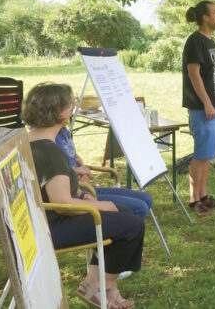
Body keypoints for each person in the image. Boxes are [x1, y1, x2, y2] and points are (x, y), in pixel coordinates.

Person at [23, 83, 144, 309]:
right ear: (60, 113)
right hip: (52, 228)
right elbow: (61, 204)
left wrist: (85, 196)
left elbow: (56, 191)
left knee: (124, 213)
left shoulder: (29, 140)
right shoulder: (50, 151)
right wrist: (100, 206)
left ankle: (94, 284)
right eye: (70, 105)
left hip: (39, 222)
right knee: (133, 226)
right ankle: (103, 287)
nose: (72, 108)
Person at [182, 0, 215, 215]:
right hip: (202, 108)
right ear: (205, 18)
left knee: (208, 154)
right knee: (201, 155)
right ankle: (193, 201)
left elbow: (214, 76)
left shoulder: (210, 41)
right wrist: (208, 103)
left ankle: (203, 195)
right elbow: (194, 74)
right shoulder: (195, 41)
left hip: (214, 107)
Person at [55, 126, 153, 219]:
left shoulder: (64, 131)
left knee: (147, 198)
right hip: (77, 195)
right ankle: (127, 232)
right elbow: (52, 171)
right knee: (140, 207)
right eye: (68, 107)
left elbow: (73, 157)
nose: (71, 109)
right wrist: (76, 171)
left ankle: (130, 230)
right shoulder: (49, 137)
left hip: (85, 189)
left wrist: (82, 169)